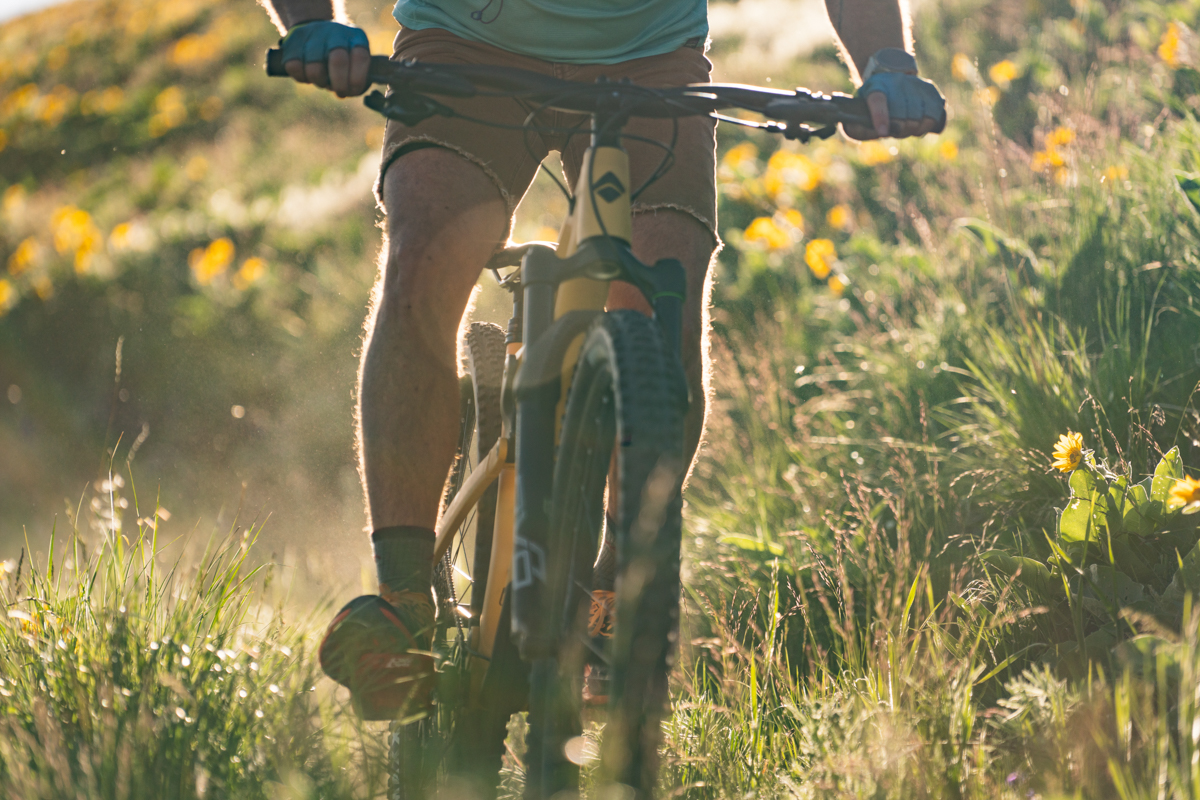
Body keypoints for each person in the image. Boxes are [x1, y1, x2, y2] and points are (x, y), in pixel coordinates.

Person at [261, 0, 945, 720]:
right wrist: (311, 20)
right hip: (466, 45)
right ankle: (402, 601)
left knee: (661, 303)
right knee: (426, 255)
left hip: (650, 61)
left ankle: (618, 605)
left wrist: (887, 63)